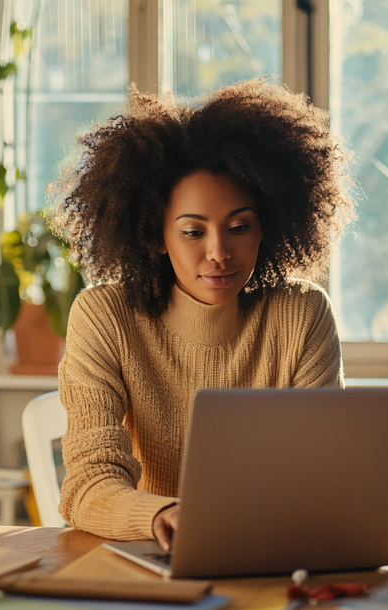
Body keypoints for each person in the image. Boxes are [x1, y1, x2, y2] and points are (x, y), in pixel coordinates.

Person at [47, 79, 355, 550]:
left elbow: (323, 472)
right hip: (150, 552)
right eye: (193, 232)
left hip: (271, 552)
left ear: (266, 226)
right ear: (155, 234)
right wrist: (163, 516)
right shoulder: (105, 316)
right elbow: (88, 484)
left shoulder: (301, 314)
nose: (219, 253)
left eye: (238, 227)